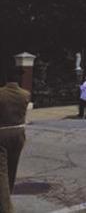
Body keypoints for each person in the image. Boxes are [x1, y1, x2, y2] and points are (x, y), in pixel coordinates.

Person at [0, 66, 30, 213]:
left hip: (2, 133)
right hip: (19, 133)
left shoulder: (1, 94)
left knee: (2, 172)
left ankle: (6, 208)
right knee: (12, 169)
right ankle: (6, 197)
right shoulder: (25, 94)